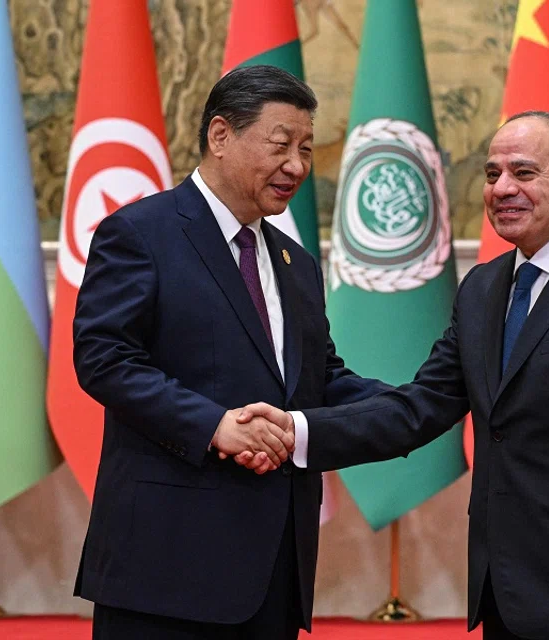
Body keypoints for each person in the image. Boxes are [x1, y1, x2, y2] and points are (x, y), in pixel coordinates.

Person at [239, 111, 549, 640]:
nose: (502, 188)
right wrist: (297, 431)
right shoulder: (484, 288)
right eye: (491, 175)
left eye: (524, 173)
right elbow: (421, 405)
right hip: (504, 590)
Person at [72, 64, 386, 640]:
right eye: (281, 145)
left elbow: (320, 378)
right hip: (165, 567)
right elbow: (104, 358)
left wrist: (432, 397)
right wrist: (214, 425)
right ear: (221, 136)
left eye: (307, 148)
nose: (297, 165)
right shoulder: (141, 232)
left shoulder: (297, 265)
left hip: (273, 570)